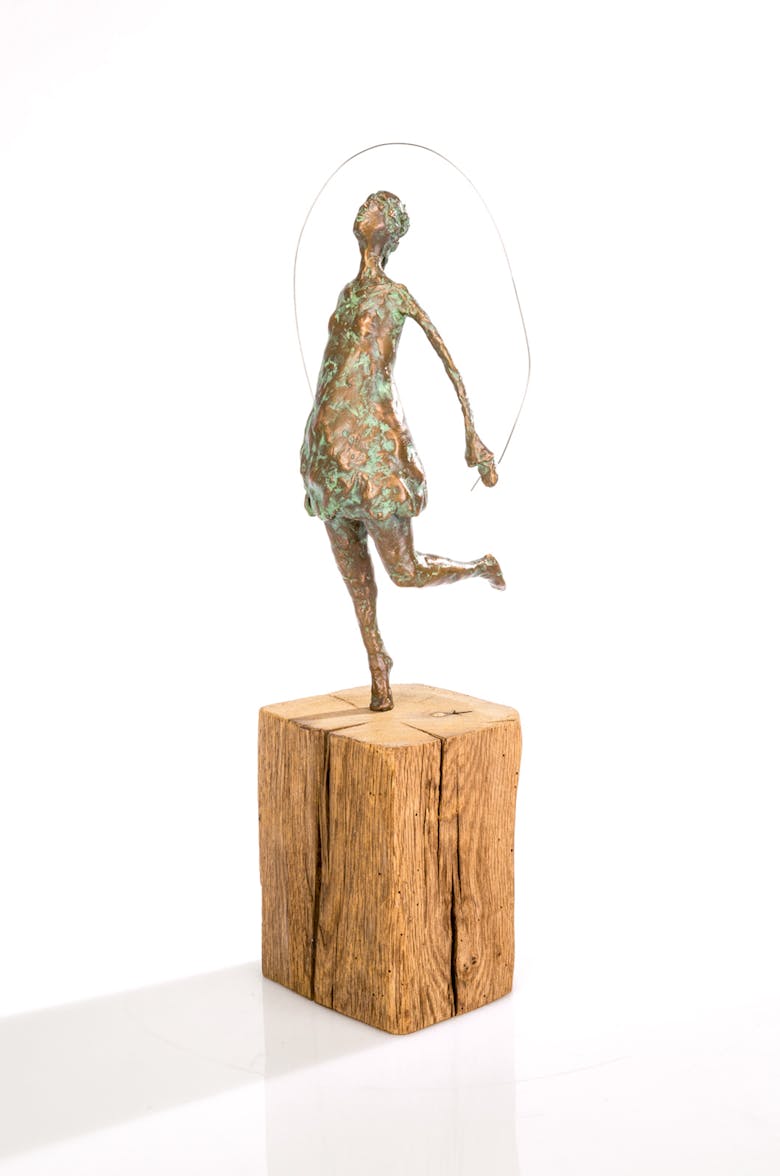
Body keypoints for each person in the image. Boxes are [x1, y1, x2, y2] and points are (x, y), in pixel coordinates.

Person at [300, 191, 504, 711]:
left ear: (388, 229)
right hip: (328, 450)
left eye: (377, 205)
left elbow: (449, 363)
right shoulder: (346, 294)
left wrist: (473, 436)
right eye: (368, 202)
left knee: (405, 572)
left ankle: (479, 566)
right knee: (355, 580)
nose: (365, 208)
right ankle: (378, 666)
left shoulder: (396, 296)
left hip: (375, 450)